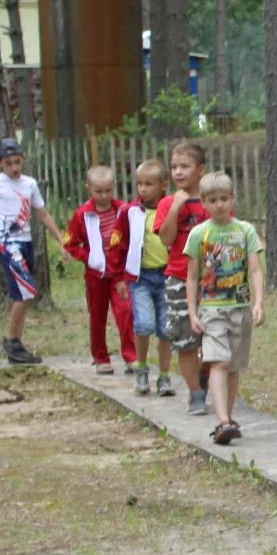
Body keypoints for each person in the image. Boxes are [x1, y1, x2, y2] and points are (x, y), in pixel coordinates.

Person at [0, 137, 67, 366]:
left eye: (17, 162)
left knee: (24, 293)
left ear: (23, 160)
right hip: (6, 243)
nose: (14, 168)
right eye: (8, 163)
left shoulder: (29, 184)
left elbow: (44, 214)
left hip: (25, 241)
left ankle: (16, 343)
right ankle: (10, 339)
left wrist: (61, 239)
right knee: (26, 291)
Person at [183, 172, 266, 447]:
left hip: (239, 306)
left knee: (232, 366)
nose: (219, 205)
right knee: (217, 361)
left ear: (233, 199)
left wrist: (258, 302)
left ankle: (227, 418)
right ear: (203, 203)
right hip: (212, 309)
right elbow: (192, 277)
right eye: (212, 200)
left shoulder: (245, 231)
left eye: (224, 199)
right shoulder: (199, 234)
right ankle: (222, 420)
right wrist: (193, 312)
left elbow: (254, 269)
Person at [61, 164, 141, 374]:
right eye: (98, 191)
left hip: (119, 275)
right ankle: (101, 357)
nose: (104, 195)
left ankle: (131, 356)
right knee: (98, 316)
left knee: (126, 313)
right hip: (96, 276)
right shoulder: (82, 215)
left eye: (108, 190)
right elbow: (69, 244)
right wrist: (89, 258)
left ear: (114, 186)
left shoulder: (124, 210)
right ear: (89, 188)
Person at [155, 141, 211, 411]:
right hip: (178, 278)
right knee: (186, 340)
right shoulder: (167, 203)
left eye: (185, 167)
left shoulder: (213, 200)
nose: (178, 172)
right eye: (174, 167)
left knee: (215, 337)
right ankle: (196, 393)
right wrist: (176, 208)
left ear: (201, 170)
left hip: (213, 280)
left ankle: (205, 376)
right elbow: (166, 239)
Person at [128, 159, 175, 395]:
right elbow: (120, 243)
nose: (143, 189)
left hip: (167, 276)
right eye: (139, 184)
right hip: (141, 279)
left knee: (166, 329)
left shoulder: (172, 209)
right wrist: (119, 275)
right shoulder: (132, 212)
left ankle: (165, 376)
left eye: (149, 184)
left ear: (163, 185)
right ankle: (142, 368)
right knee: (144, 324)